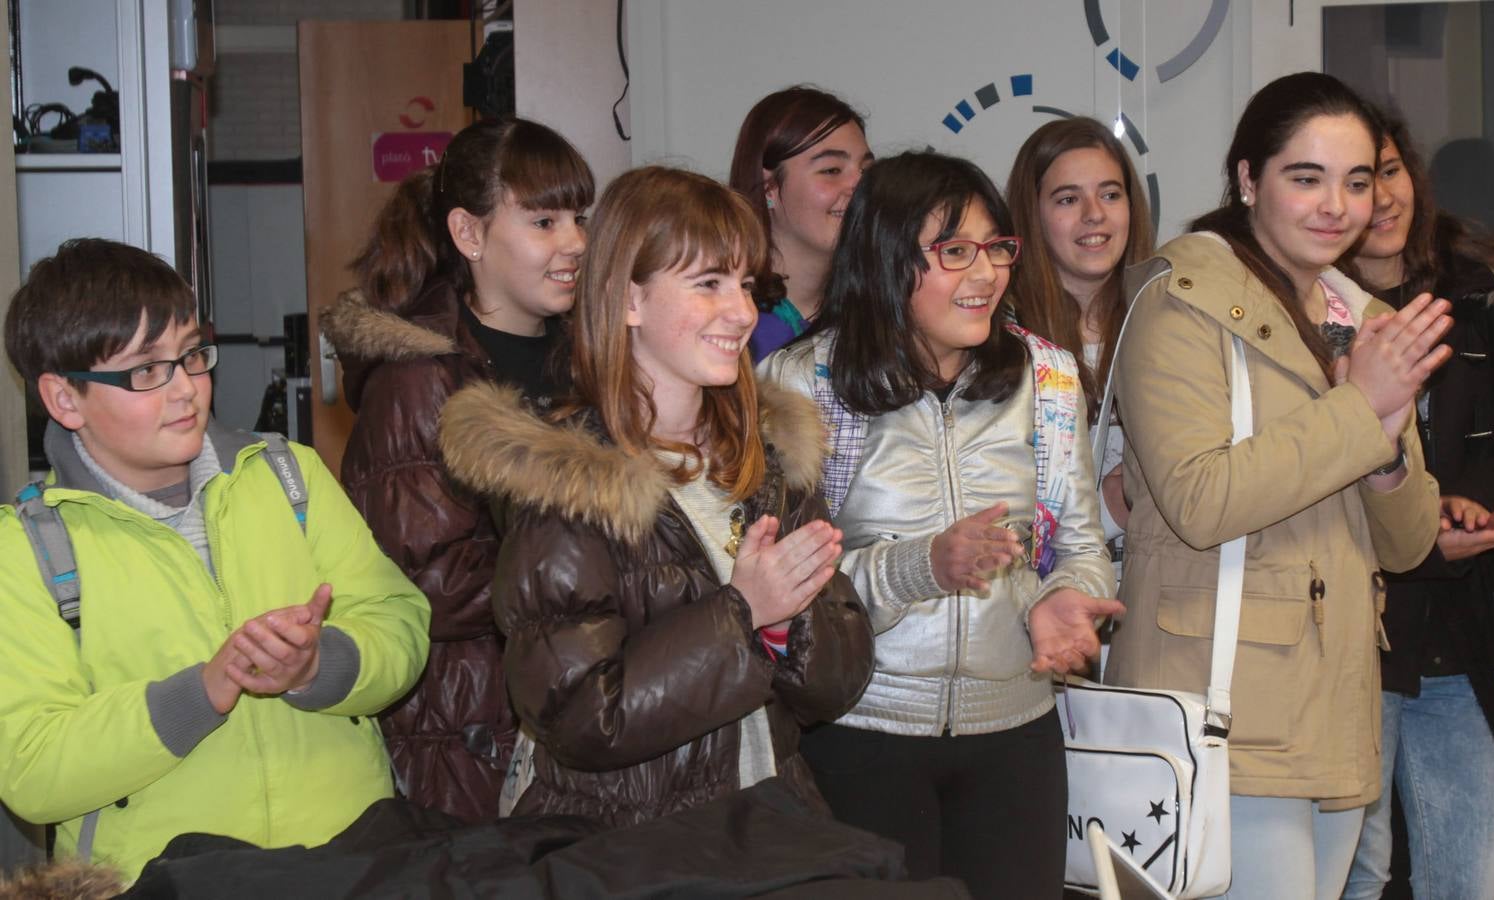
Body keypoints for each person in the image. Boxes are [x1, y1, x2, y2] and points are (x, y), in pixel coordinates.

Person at [437, 166, 874, 828]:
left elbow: (835, 689)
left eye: (745, 285)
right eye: (708, 285)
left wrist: (785, 620)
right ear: (628, 301)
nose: (741, 312)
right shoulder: (569, 486)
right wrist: (745, 612)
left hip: (761, 819)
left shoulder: (769, 461)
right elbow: (583, 719)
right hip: (622, 846)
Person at [1100, 72, 1448, 900]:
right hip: (1221, 701)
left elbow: (1407, 542)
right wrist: (1360, 411)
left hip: (1332, 701)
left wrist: (1388, 454)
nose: (1337, 204)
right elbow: (1198, 499)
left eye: (1357, 181)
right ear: (1248, 179)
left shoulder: (1359, 317)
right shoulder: (1180, 297)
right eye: (1306, 177)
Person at [0, 239, 431, 881]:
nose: (187, 391)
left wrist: (317, 666)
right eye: (146, 371)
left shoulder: (291, 477)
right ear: (65, 399)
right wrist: (203, 692)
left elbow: (401, 624)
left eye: (192, 355)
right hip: (159, 884)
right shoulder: (27, 548)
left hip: (352, 862)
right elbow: (33, 767)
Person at [761, 149, 1120, 900]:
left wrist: (1062, 597)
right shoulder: (802, 381)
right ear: (886, 260)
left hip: (1015, 734)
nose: (985, 273)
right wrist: (923, 564)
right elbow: (781, 582)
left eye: (996, 248)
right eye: (954, 252)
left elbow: (1082, 544)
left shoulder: (1045, 376)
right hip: (860, 735)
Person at [322, 117, 594, 823]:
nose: (574, 244)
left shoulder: (592, 359)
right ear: (469, 235)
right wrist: (598, 567)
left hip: (581, 703)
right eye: (542, 221)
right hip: (472, 728)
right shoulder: (420, 379)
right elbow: (424, 586)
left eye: (577, 218)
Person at [1338, 109, 1494, 900]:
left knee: (1475, 862)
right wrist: (1415, 531)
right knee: (1360, 871)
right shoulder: (1300, 311)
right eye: (1357, 180)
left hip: (1456, 623)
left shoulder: (1478, 294)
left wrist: (1470, 504)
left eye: (1387, 171)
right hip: (1355, 628)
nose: (1379, 196)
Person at [1005, 115, 1157, 562]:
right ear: (1031, 216)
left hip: (1156, 603)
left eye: (1110, 194)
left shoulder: (1171, 323)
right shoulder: (1000, 344)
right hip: (1045, 612)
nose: (1095, 214)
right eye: (1068, 198)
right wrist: (1110, 508)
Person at [729, 85, 874, 361]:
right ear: (768, 186)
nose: (859, 186)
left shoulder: (880, 313)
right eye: (832, 170)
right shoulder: (730, 321)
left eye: (867, 170)